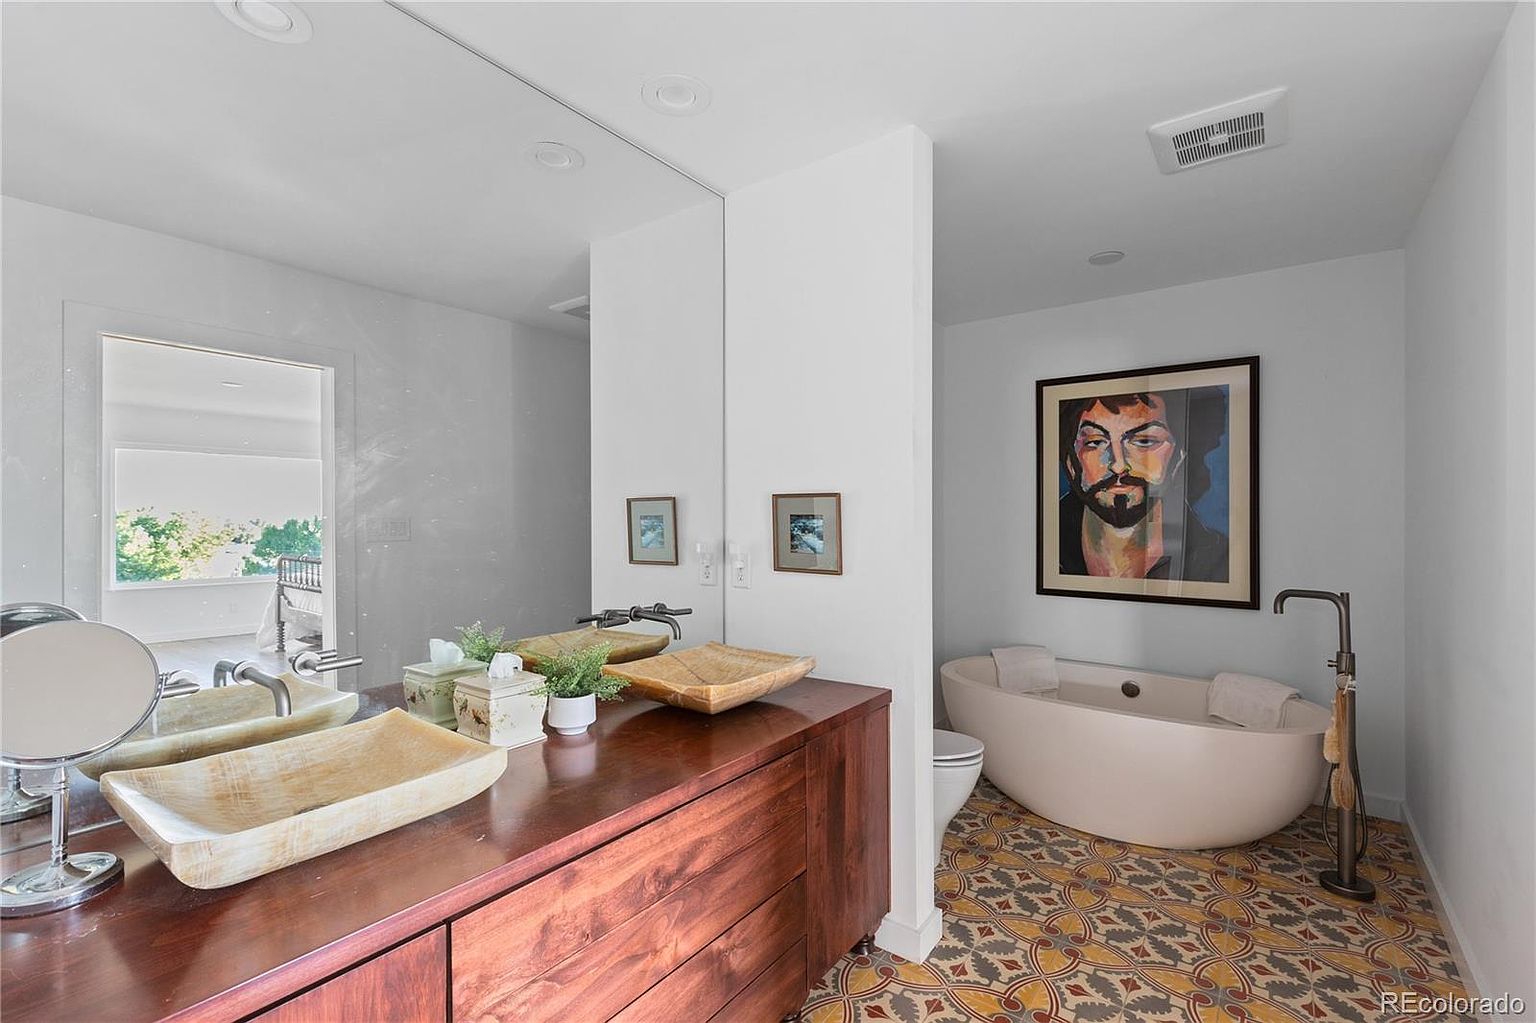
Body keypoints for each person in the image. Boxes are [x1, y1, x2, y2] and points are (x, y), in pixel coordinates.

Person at [1057, 389, 1228, 581]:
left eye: (1144, 441)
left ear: (1180, 455)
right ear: (1070, 461)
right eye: (1095, 442)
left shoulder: (1219, 562)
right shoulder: (1040, 549)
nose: (1118, 465)